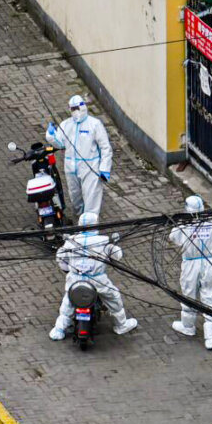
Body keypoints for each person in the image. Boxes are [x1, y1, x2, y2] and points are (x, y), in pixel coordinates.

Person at [49, 212, 138, 340]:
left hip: (75, 280)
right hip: (98, 281)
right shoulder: (104, 241)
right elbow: (117, 256)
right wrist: (115, 244)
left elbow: (60, 258)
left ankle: (59, 329)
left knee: (67, 304)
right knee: (114, 298)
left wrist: (67, 270)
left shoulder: (70, 241)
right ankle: (121, 325)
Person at [168, 195, 212, 350]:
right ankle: (211, 337)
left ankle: (188, 326)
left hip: (191, 263)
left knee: (189, 295)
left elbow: (173, 236)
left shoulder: (183, 226)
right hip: (211, 262)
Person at [45, 95, 113, 218]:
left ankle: (90, 227)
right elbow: (60, 144)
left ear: (83, 107)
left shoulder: (95, 124)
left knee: (91, 197)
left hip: (90, 168)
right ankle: (80, 220)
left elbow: (105, 148)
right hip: (71, 168)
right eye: (72, 108)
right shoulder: (66, 125)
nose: (75, 111)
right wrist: (51, 136)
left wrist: (104, 168)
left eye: (77, 108)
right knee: (75, 197)